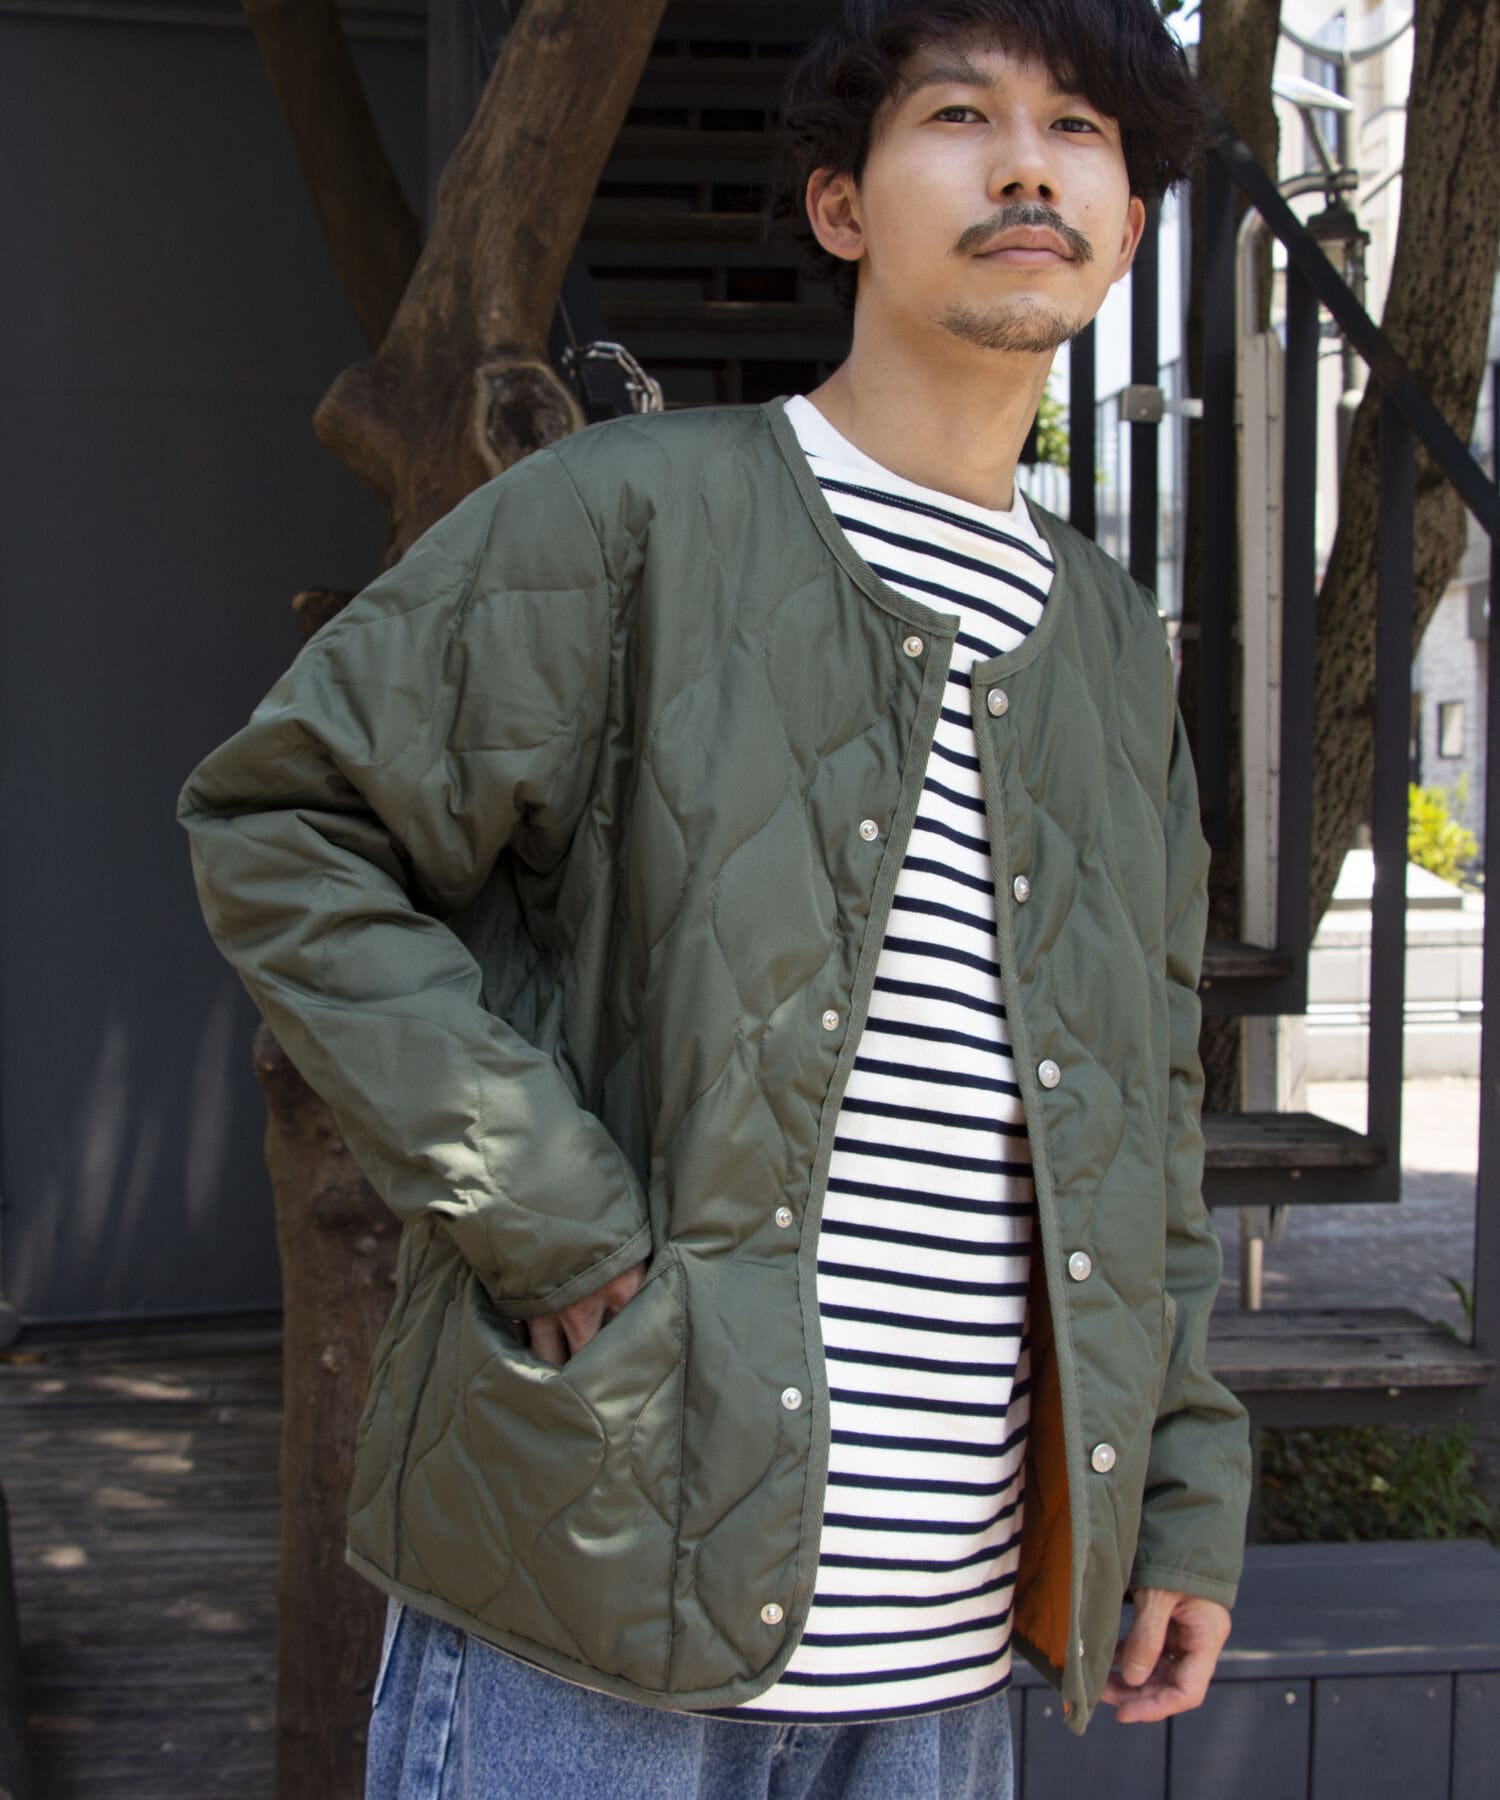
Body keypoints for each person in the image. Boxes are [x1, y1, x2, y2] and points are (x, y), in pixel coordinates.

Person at [178, 1, 1252, 1794]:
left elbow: (1149, 1109)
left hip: (946, 1667)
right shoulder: (632, 517)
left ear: (1126, 225)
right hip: (594, 1599)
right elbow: (284, 824)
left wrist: (1188, 1489)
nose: (1024, 165)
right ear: (841, 206)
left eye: (1078, 129)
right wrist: (545, 1207)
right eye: (961, 116)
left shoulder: (1113, 650)